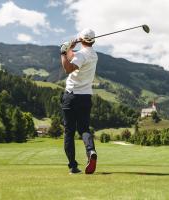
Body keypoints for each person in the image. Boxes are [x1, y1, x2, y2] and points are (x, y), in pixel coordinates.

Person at [60, 29, 98, 174]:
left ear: (82, 40)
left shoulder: (81, 55)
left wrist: (63, 53)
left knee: (69, 132)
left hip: (71, 96)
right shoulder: (94, 55)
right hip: (86, 97)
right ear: (93, 41)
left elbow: (68, 68)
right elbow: (74, 57)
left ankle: (73, 166)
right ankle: (91, 151)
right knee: (84, 129)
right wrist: (69, 48)